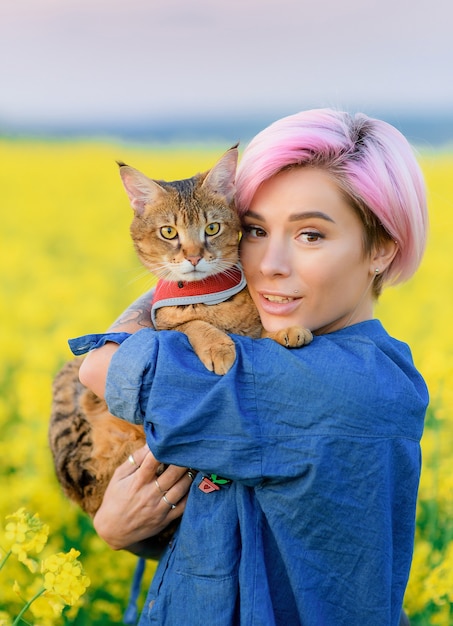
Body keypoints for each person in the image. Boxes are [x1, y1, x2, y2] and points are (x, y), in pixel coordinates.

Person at [75, 108, 429, 625]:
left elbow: (100, 368)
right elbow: (236, 539)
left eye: (311, 235)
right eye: (256, 231)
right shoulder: (334, 366)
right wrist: (122, 528)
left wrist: (181, 280)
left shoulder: (337, 386)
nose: (269, 264)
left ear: (380, 250)